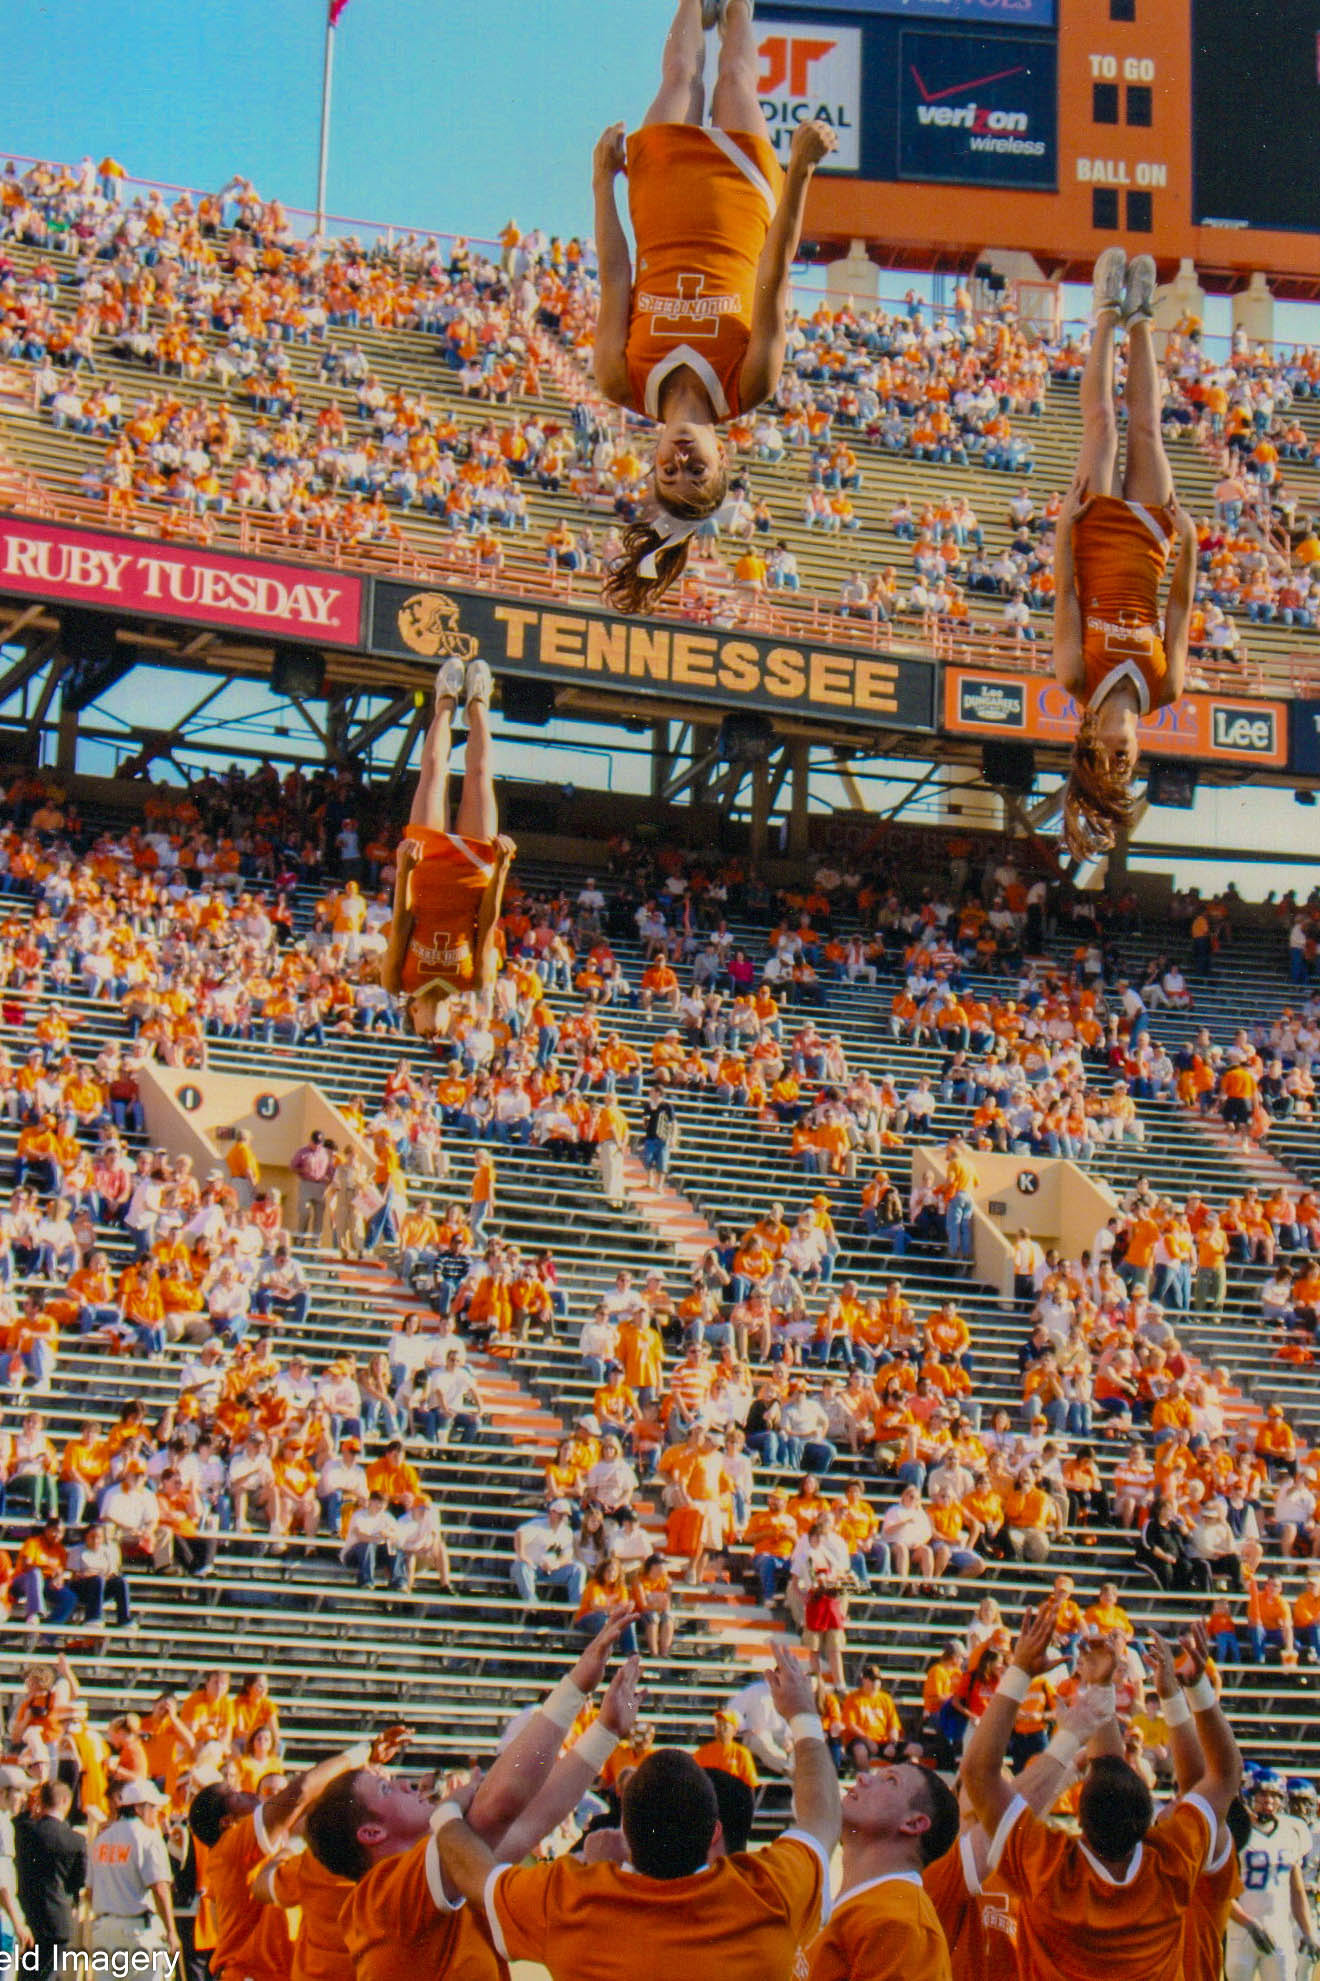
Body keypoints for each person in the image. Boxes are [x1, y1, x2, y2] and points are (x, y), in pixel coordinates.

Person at [592, 0, 836, 612]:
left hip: (661, 202)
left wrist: (602, 184)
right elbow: (774, 276)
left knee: (678, 77)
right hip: (741, 199)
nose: (679, 462)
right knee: (734, 78)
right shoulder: (748, 385)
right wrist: (800, 170)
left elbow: (615, 274)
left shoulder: (621, 380)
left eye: (667, 474)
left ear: (649, 464)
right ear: (722, 456)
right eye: (696, 473)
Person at [433, 1641, 840, 1981]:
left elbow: (475, 1876)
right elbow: (821, 1819)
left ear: (624, 1830)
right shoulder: (767, 1890)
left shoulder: (576, 1897)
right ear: (713, 1831)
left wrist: (448, 1815)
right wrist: (802, 1714)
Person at [300, 1624, 641, 1981]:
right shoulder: (381, 1899)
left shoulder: (445, 1871)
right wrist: (576, 1686)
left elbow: (532, 1819)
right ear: (371, 1832)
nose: (403, 1785)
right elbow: (500, 1807)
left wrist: (605, 1731)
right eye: (385, 1790)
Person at [963, 1601, 1243, 1981]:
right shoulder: (1170, 1863)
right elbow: (1223, 1777)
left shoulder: (1050, 1870)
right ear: (1149, 1822)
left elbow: (979, 1772)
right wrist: (1191, 1689)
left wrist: (1032, 1674)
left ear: (1079, 1818)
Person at [1053, 248, 1198, 860]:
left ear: (1087, 741)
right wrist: (1187, 542)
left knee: (1103, 427)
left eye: (1107, 760)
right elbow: (1181, 607)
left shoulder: (1076, 676)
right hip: (1150, 543)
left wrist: (1065, 524)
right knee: (1146, 429)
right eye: (1128, 764)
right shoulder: (1165, 687)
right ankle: (1142, 317)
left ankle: (1105, 312)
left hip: (1091, 537)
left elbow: (1064, 594)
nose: (1123, 753)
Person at [189, 1726, 412, 1981]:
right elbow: (303, 1789)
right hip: (252, 1973)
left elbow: (313, 1800)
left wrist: (364, 1767)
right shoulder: (231, 1846)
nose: (248, 1793)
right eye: (236, 1796)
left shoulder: (255, 1850)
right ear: (227, 1822)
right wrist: (361, 1753)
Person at [381, 655, 516, 1038]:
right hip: (472, 879)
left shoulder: (397, 982)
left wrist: (404, 868)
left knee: (434, 773)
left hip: (425, 876)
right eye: (439, 1035)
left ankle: (444, 700)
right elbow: (487, 923)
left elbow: (403, 921)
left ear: (413, 1016)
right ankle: (479, 703)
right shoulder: (475, 982)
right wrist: (502, 870)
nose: (435, 1033)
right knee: (479, 777)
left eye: (425, 1034)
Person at [803, 1758, 958, 1979]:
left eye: (890, 1780)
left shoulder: (901, 1925)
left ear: (914, 1823)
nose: (862, 1778)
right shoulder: (873, 1907)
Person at [1225, 1769, 1319, 1979]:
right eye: (1263, 1794)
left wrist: (1308, 1931)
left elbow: (1296, 1890)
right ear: (1248, 1795)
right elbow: (1222, 1892)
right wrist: (1247, 1922)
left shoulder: (1290, 1832)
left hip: (1279, 1930)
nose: (1269, 1800)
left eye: (1275, 1795)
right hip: (1242, 1932)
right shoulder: (1235, 1832)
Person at [89, 1779, 183, 1965]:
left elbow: (91, 1891)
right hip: (138, 1931)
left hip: (104, 1931)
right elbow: (160, 1888)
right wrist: (171, 1931)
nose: (157, 1813)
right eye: (154, 1808)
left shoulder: (101, 1839)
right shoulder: (148, 1838)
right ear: (139, 1808)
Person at [16, 1779, 84, 1981]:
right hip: (57, 1920)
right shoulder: (75, 1840)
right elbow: (76, 1883)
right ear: (65, 1801)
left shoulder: (23, 1832)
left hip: (26, 1915)